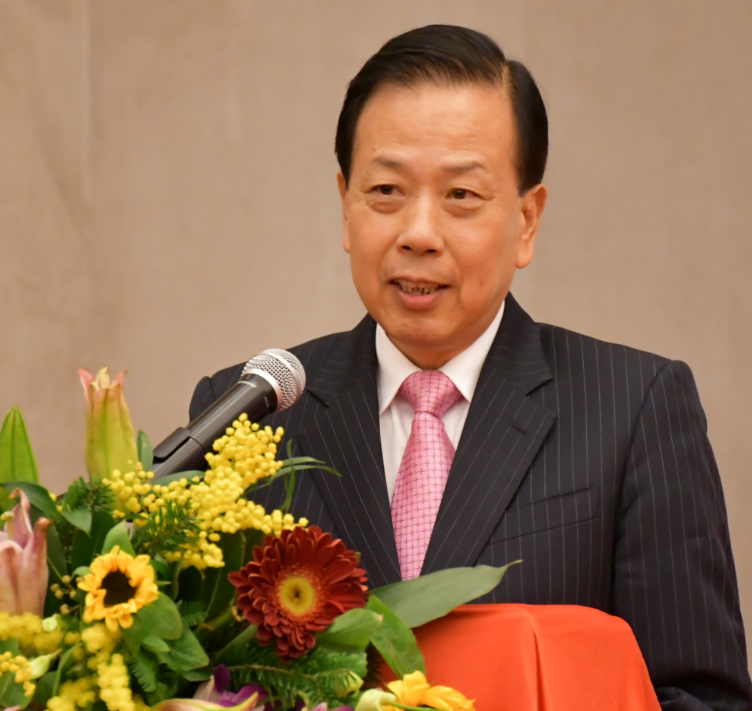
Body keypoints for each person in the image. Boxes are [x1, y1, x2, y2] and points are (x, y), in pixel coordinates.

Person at [189, 25, 751, 709]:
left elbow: (701, 695)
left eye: (461, 195)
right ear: (345, 206)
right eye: (386, 190)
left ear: (527, 220)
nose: (419, 233)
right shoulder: (248, 414)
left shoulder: (633, 410)